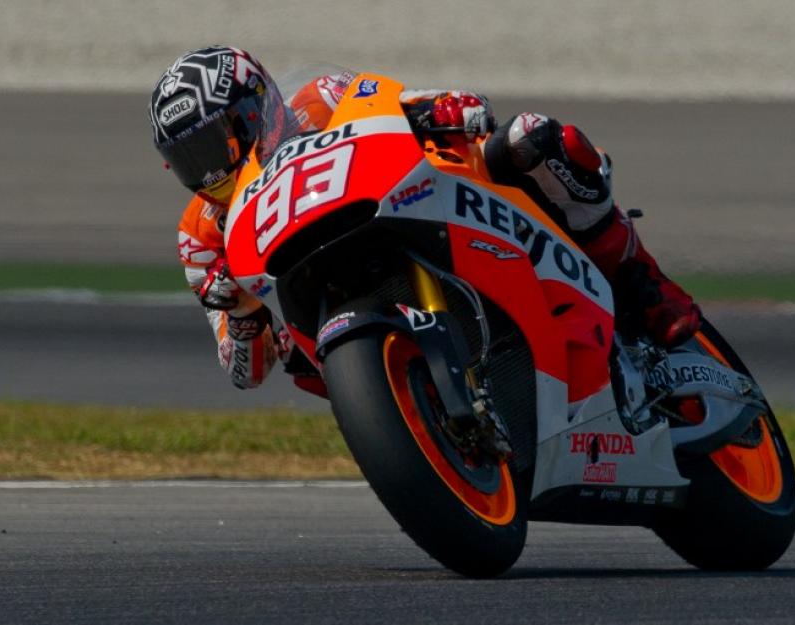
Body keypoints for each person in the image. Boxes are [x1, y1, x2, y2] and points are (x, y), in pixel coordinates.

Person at [149, 46, 700, 393]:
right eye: (191, 160)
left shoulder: (318, 101)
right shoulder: (200, 237)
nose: (210, 171)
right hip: (331, 325)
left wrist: (441, 107)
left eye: (217, 144)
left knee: (531, 137)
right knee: (296, 358)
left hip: (399, 205)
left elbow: (392, 105)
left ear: (257, 108)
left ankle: (643, 280)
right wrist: (241, 313)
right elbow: (244, 373)